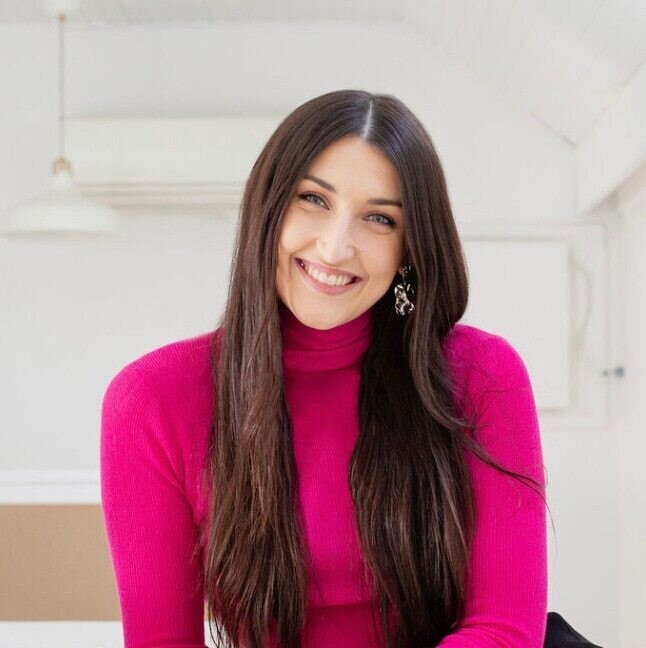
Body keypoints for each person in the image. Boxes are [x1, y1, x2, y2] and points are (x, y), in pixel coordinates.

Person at [100, 89, 550, 648]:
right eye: (314, 199)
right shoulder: (152, 399)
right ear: (268, 206)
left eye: (379, 218)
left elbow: (505, 631)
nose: (336, 248)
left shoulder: (483, 375)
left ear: (409, 248)